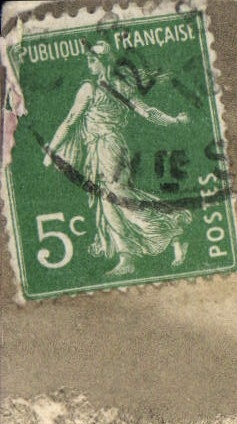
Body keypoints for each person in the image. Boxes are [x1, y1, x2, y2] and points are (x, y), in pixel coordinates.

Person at [42, 40, 191, 276]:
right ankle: (126, 258)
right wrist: (174, 120)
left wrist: (51, 150)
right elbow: (147, 112)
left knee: (119, 198)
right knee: (108, 201)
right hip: (103, 149)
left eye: (92, 60)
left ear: (103, 62)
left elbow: (70, 122)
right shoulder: (119, 87)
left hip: (108, 146)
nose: (88, 63)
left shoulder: (92, 89)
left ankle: (171, 229)